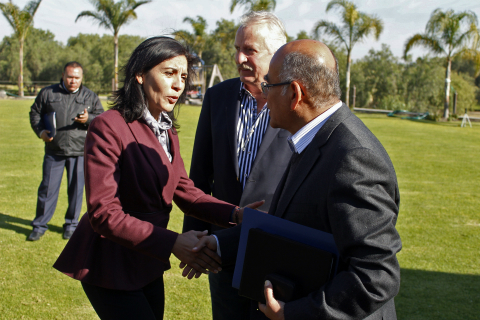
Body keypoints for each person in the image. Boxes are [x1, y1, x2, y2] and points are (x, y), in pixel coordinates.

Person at [186, 39, 402, 320]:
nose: (263, 93)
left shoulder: (353, 158)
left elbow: (376, 275)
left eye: (269, 85)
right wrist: (219, 244)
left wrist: (295, 313)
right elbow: (288, 229)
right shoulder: (312, 141)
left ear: (295, 93)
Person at [53, 36, 262, 320]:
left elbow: (185, 190)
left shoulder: (166, 128)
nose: (179, 84)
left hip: (146, 261)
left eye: (184, 76)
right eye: (169, 73)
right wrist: (173, 242)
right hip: (109, 264)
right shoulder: (108, 126)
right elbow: (103, 213)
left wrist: (236, 214)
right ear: (140, 74)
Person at [182, 11, 292, 320]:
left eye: (250, 50)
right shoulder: (218, 97)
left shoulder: (295, 99)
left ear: (276, 53)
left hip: (277, 247)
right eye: (236, 49)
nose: (239, 57)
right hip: (221, 249)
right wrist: (196, 240)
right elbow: (200, 174)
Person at [28, 61, 104, 241]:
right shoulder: (48, 93)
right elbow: (35, 113)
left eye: (77, 77)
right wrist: (40, 132)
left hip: (79, 151)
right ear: (63, 75)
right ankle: (39, 225)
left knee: (77, 191)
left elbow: (101, 119)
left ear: (82, 78)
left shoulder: (90, 96)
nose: (73, 81)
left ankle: (71, 225)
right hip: (54, 151)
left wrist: (88, 118)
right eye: (70, 77)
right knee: (47, 189)